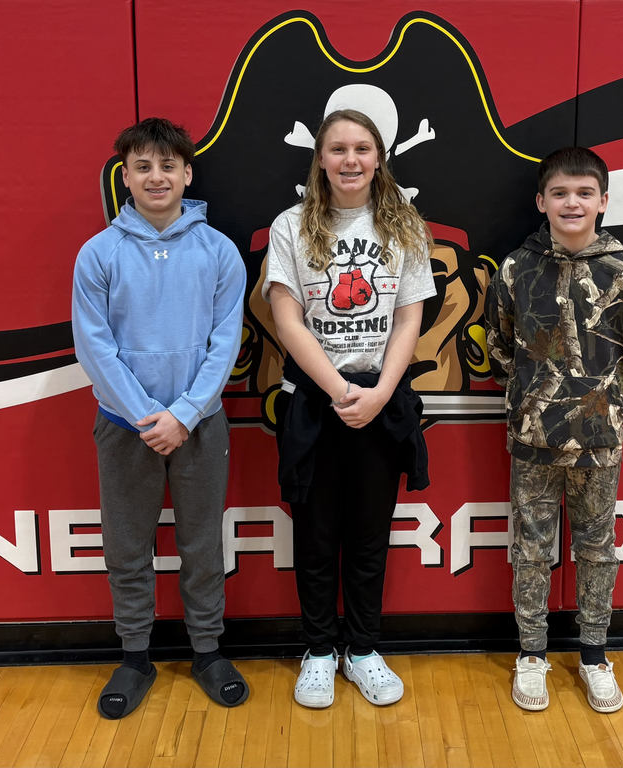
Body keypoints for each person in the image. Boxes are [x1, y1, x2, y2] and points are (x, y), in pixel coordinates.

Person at [72, 117, 248, 719]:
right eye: (143, 166)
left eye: (168, 165)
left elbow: (225, 343)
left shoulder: (218, 251)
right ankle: (135, 655)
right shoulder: (98, 254)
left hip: (200, 425)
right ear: (125, 176)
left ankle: (206, 651)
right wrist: (149, 416)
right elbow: (95, 347)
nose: (156, 176)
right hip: (125, 428)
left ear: (187, 173)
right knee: (127, 546)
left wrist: (184, 414)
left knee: (202, 544)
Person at [262, 109, 435, 708]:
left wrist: (383, 390)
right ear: (320, 159)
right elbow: (286, 318)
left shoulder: (403, 224)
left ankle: (361, 649)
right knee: (314, 536)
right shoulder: (290, 226)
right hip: (314, 402)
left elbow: (411, 313)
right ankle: (317, 650)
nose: (351, 160)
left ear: (380, 157)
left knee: (368, 536)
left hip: (380, 401)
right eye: (338, 149)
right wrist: (338, 389)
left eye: (362, 148)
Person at [484, 146, 623, 714]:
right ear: (541, 201)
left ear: (603, 200)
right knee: (531, 549)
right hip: (533, 437)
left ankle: (593, 657)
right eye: (560, 193)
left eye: (585, 193)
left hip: (600, 439)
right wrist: (538, 394)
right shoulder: (516, 268)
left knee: (597, 549)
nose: (572, 202)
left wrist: (606, 401)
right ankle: (531, 654)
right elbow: (500, 343)